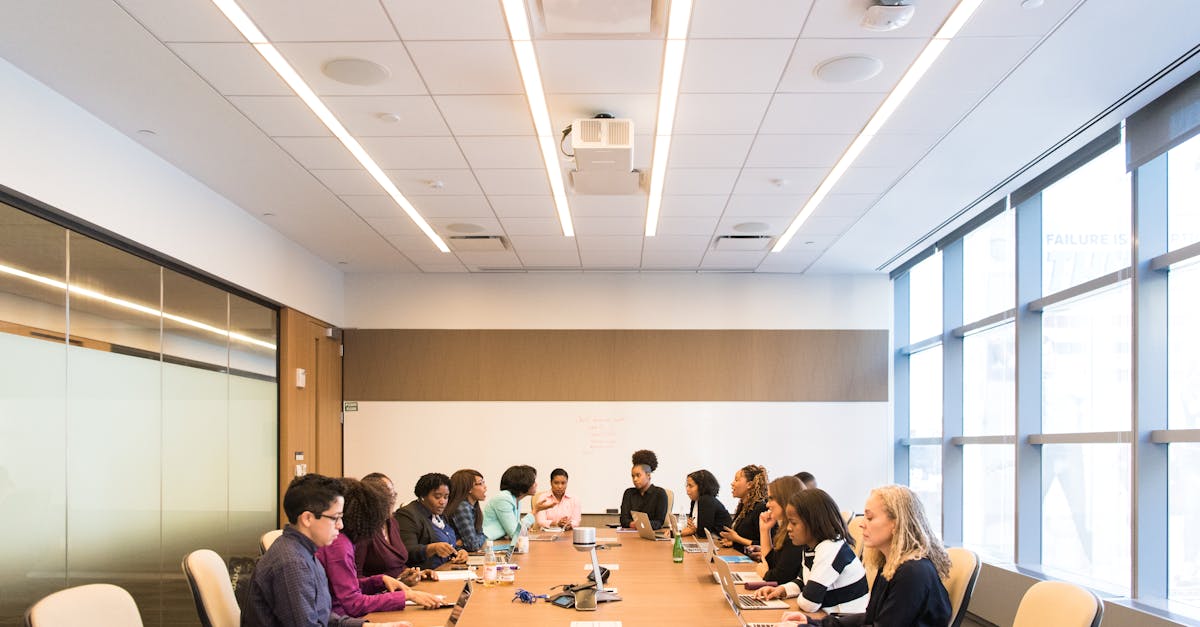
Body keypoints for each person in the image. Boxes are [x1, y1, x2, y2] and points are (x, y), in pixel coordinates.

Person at [241, 473, 410, 627]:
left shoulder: (304, 551)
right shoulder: (292, 563)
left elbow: (321, 616)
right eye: (335, 518)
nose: (341, 525)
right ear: (307, 518)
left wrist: (369, 626)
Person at [782, 485, 952, 627]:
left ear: (896, 523)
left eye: (870, 518)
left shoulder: (912, 573)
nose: (862, 523)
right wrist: (813, 623)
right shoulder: (891, 564)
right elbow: (869, 618)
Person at [316, 478, 441, 617]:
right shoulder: (339, 545)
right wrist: (406, 596)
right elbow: (353, 603)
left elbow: (347, 585)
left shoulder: (344, 541)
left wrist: (380, 580)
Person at [753, 489, 869, 619]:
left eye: (794, 523)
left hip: (843, 621)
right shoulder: (811, 547)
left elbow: (809, 603)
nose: (788, 528)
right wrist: (782, 590)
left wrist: (805, 594)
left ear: (813, 522)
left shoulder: (830, 549)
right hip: (826, 618)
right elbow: (803, 580)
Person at [354, 473, 424, 584]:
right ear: (372, 499)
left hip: (401, 589)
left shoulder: (392, 522)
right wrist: (386, 584)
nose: (393, 501)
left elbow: (397, 565)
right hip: (378, 596)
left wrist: (414, 573)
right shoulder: (362, 529)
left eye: (394, 495)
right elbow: (355, 578)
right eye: (388, 497)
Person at [395, 473, 469, 569]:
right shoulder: (407, 515)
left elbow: (448, 543)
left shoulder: (440, 515)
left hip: (447, 569)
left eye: (446, 497)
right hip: (424, 574)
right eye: (437, 497)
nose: (442, 502)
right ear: (422, 496)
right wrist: (431, 548)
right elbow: (406, 551)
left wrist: (459, 551)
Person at [753, 475, 805, 582]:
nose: (767, 504)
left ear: (784, 499)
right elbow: (771, 563)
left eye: (771, 499)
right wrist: (764, 530)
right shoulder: (784, 529)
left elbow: (780, 578)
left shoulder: (797, 533)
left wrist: (765, 574)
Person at [481, 464, 555, 539]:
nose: (536, 484)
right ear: (523, 483)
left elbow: (517, 528)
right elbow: (515, 533)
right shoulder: (503, 499)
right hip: (488, 544)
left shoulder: (516, 499)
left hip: (500, 541)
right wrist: (535, 510)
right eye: (533, 481)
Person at [720, 464, 768, 549]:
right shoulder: (743, 506)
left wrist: (736, 539)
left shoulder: (760, 508)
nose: (732, 483)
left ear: (749, 484)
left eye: (736, 480)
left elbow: (764, 544)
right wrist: (732, 541)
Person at [619, 449, 669, 529]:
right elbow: (623, 520)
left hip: (652, 534)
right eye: (633, 476)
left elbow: (659, 522)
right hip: (630, 535)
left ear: (648, 475)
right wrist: (632, 524)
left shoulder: (660, 493)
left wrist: (640, 524)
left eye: (638, 475)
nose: (635, 479)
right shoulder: (628, 493)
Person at [445, 469, 490, 551]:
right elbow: (473, 545)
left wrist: (477, 537)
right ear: (468, 489)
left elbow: (480, 534)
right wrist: (480, 537)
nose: (485, 487)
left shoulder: (473, 506)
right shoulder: (462, 507)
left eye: (483, 482)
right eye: (480, 483)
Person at [679, 469, 731, 538]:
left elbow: (703, 533)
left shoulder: (706, 500)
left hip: (720, 541)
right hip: (709, 541)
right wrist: (676, 532)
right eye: (687, 485)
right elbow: (691, 527)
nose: (687, 489)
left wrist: (677, 533)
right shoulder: (694, 501)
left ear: (702, 487)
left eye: (690, 486)